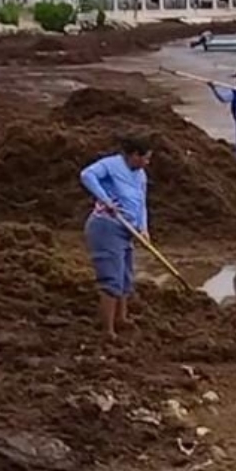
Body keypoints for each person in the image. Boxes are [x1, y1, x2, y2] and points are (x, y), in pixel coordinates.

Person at [79, 136, 153, 339]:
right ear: (134, 155)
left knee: (125, 277)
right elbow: (87, 175)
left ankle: (122, 319)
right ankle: (108, 331)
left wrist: (143, 229)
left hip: (127, 230)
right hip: (106, 227)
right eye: (145, 158)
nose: (147, 162)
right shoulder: (110, 165)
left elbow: (141, 203)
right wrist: (105, 200)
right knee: (111, 279)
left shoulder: (140, 175)